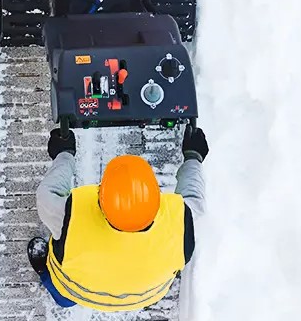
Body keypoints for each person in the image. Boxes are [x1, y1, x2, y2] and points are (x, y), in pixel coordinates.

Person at [27, 124, 207, 311]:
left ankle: (62, 296)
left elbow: (48, 193)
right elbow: (194, 197)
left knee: (65, 289)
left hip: (77, 288)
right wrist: (193, 156)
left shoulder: (70, 216)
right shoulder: (183, 224)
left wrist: (64, 153)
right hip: (144, 296)